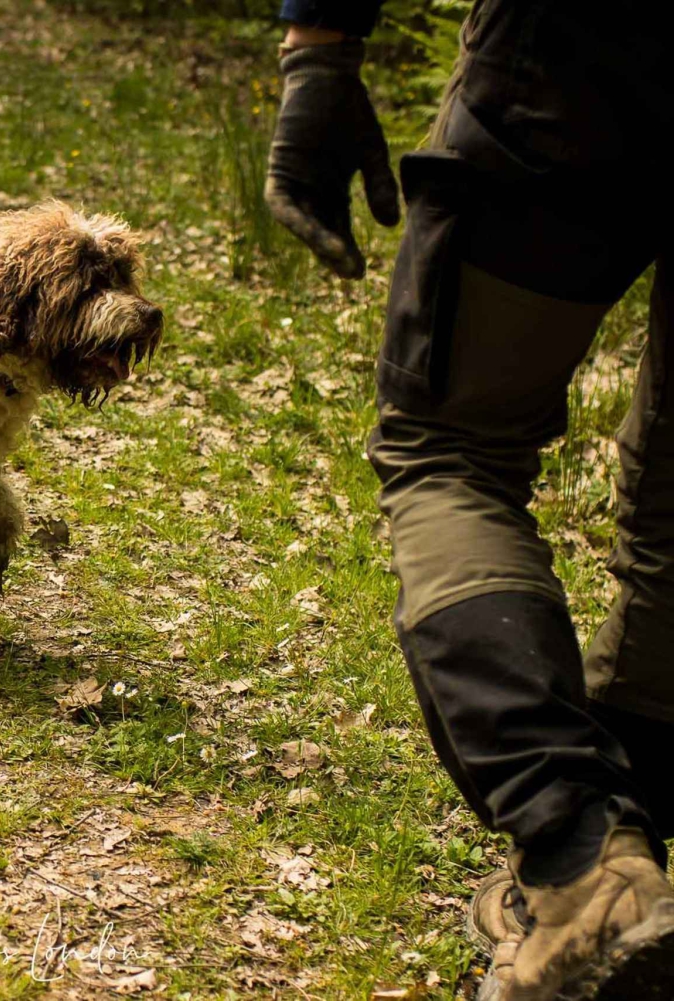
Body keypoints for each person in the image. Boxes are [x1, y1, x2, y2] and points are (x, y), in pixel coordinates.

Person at [263, 1, 674, 998]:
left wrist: (321, 44)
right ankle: (618, 873)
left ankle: (584, 856)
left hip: (581, 59)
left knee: (451, 447)